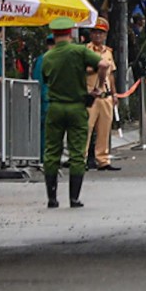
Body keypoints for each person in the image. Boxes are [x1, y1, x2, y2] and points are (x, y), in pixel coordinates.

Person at [41, 17, 110, 208]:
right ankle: (74, 198)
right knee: (77, 152)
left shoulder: (48, 57)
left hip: (55, 108)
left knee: (52, 152)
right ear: (71, 32)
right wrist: (98, 88)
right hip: (77, 107)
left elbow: (46, 79)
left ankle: (52, 198)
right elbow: (104, 65)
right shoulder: (80, 51)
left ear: (54, 34)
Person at [84, 17, 119, 171]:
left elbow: (111, 74)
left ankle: (103, 160)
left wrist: (115, 93)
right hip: (90, 96)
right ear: (91, 34)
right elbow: (82, 71)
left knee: (104, 131)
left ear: (105, 35)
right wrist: (97, 69)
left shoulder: (108, 53)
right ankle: (81, 159)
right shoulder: (85, 51)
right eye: (95, 32)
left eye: (101, 33)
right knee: (86, 129)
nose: (98, 36)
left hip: (105, 96)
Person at [31, 35, 55, 161]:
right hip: (49, 99)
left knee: (45, 130)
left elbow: (36, 80)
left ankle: (45, 156)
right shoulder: (55, 59)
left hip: (45, 98)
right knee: (48, 131)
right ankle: (46, 156)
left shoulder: (41, 59)